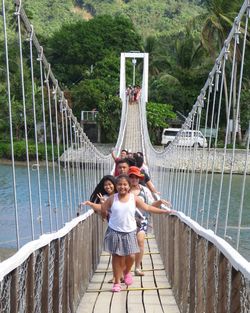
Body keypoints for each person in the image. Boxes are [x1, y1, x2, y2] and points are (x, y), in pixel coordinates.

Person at [99, 174, 174, 292]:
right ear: (116, 186)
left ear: (129, 186)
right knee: (116, 257)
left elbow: (148, 208)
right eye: (119, 184)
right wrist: (104, 216)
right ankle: (117, 283)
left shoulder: (134, 198)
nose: (122, 187)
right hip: (114, 231)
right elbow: (103, 208)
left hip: (129, 232)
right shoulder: (112, 198)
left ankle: (127, 271)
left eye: (125, 184)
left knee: (131, 256)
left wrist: (164, 211)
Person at [128, 166, 171, 276]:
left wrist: (160, 202)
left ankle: (137, 267)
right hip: (127, 221)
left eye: (136, 177)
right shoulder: (124, 190)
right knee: (128, 245)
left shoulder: (145, 190)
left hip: (142, 219)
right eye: (132, 177)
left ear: (139, 178)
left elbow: (150, 205)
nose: (134, 179)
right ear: (128, 178)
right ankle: (126, 269)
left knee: (140, 240)